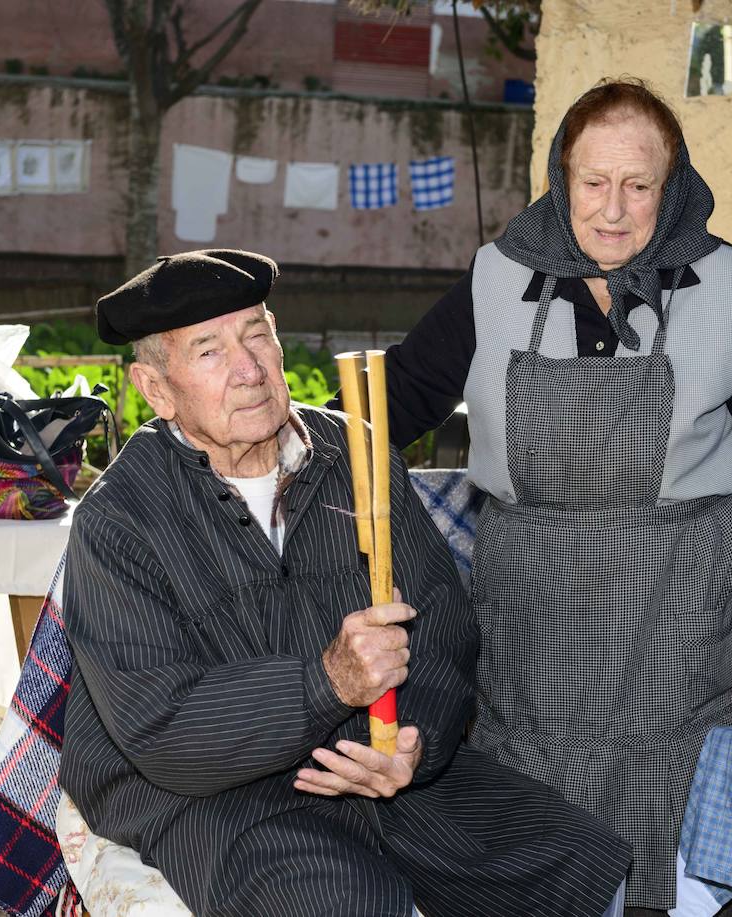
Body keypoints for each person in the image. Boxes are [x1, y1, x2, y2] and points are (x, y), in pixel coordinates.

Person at [58, 249, 631, 917]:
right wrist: (323, 683)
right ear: (157, 389)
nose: (248, 369)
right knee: (344, 900)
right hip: (217, 795)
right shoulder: (121, 519)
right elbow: (161, 724)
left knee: (576, 858)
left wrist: (414, 741)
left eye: (256, 334)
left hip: (375, 763)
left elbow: (443, 627)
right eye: (210, 352)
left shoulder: (353, 452)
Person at [373, 80, 732, 912]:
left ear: (673, 189)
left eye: (639, 185)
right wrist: (272, 424)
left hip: (680, 618)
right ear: (562, 179)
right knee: (531, 833)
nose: (613, 210)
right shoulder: (496, 278)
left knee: (672, 856)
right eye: (593, 183)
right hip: (530, 623)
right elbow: (397, 401)